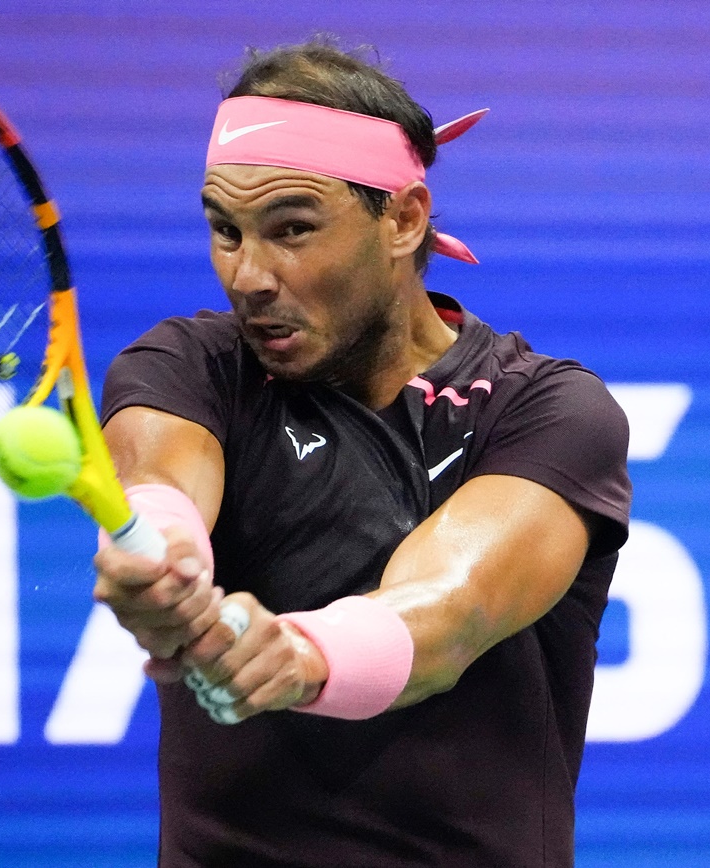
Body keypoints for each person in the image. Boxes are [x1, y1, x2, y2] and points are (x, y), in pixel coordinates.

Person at [92, 39, 631, 868]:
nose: (249, 276)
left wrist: (305, 655)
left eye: (293, 229)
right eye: (225, 230)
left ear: (404, 218)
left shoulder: (547, 410)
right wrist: (162, 560)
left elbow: (451, 610)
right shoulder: (188, 367)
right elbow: (163, 482)